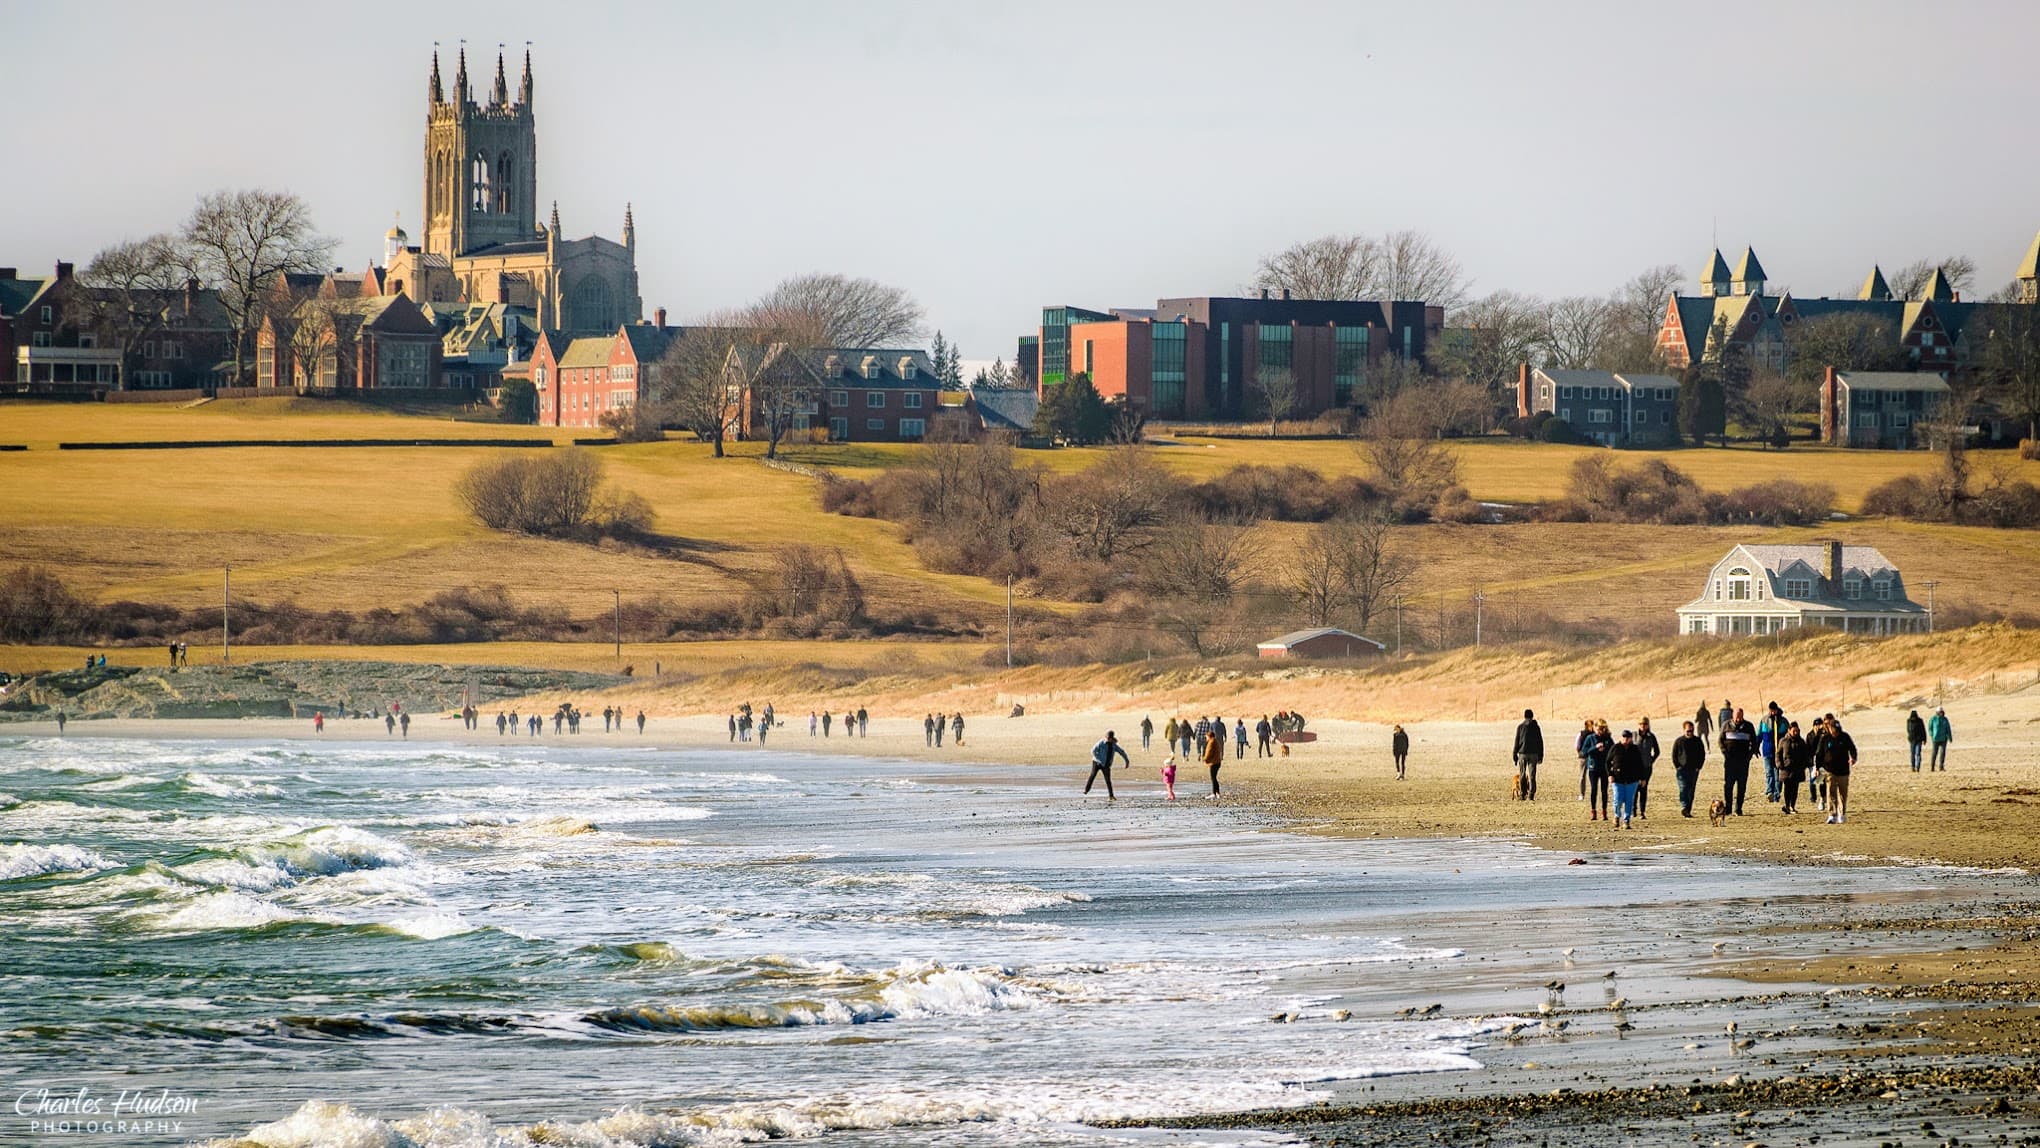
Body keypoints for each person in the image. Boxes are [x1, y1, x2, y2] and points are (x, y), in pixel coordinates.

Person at [1818, 715, 1858, 824]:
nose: (1835, 732)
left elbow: (1852, 748)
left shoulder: (1845, 737)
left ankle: (1842, 813)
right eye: (1833, 730)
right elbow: (1819, 754)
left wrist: (1853, 758)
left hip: (1843, 771)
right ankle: (1832, 814)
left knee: (1842, 794)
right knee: (1830, 793)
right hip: (1830, 771)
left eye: (1837, 730)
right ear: (1829, 729)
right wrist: (1818, 768)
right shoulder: (1825, 739)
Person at [1719, 707, 1756, 816]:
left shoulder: (1748, 726)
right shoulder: (1726, 725)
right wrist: (1725, 752)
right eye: (1736, 717)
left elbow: (1753, 743)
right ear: (1733, 716)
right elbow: (1720, 741)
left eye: (1740, 717)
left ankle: (1738, 808)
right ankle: (1728, 808)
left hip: (1743, 762)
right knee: (1728, 786)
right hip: (1730, 762)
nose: (1738, 720)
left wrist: (1749, 756)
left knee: (1742, 786)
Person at [1608, 730, 1645, 829]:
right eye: (1624, 737)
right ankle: (1617, 816)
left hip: (1632, 780)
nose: (1625, 739)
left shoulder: (1634, 749)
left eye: (1627, 737)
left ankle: (1626, 820)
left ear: (1630, 738)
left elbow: (1640, 764)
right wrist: (1610, 775)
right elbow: (1608, 762)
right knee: (1617, 799)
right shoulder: (1616, 748)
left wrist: (1642, 778)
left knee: (1629, 801)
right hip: (1617, 779)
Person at [1672, 720, 1706, 816]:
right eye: (1688, 731)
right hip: (1682, 770)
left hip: (1694, 770)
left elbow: (1702, 754)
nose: (1690, 733)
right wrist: (1677, 766)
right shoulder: (1679, 741)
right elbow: (1674, 755)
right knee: (1683, 788)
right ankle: (1684, 806)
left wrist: (1699, 766)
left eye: (1691, 731)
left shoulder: (1697, 741)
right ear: (1684, 730)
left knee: (1691, 790)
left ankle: (1688, 810)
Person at [1085, 731, 1129, 799]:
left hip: (1106, 765)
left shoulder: (1114, 745)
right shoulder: (1101, 743)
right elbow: (1093, 751)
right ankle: (1086, 790)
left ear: (1112, 738)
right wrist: (1098, 758)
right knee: (1093, 775)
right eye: (1107, 737)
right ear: (1106, 737)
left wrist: (1126, 761)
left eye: (1109, 738)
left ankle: (1111, 796)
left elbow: (1121, 752)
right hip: (1096, 762)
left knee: (1108, 780)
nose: (1108, 739)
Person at [1582, 720, 1612, 820]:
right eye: (1598, 729)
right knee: (1594, 789)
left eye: (1602, 729)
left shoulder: (1608, 739)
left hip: (1604, 768)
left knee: (1604, 790)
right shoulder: (1590, 738)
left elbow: (1613, 750)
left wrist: (1605, 749)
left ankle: (1604, 812)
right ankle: (1593, 811)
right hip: (1593, 768)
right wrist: (1595, 747)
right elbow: (1584, 751)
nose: (1600, 731)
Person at [1780, 721, 1810, 814]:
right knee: (1787, 788)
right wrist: (1779, 764)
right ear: (1789, 730)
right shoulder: (1783, 741)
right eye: (1794, 731)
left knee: (1795, 789)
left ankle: (1792, 806)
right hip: (1786, 769)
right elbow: (1778, 754)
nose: (1796, 733)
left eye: (1797, 731)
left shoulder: (1801, 742)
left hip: (1797, 769)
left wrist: (1804, 765)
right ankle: (1787, 805)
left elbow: (1805, 755)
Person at [1758, 703, 1786, 802]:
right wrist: (1756, 747)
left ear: (1777, 710)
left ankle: (1777, 794)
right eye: (1771, 710)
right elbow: (1759, 735)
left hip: (1779, 752)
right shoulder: (1764, 720)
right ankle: (1770, 792)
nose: (1772, 712)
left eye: (1774, 710)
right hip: (1767, 751)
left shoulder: (1783, 721)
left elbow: (1787, 737)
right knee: (1769, 772)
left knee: (1777, 773)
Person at [1513, 709, 1543, 800]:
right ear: (1532, 716)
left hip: (1522, 753)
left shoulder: (1520, 727)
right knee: (1532, 775)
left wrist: (1514, 755)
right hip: (1534, 754)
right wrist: (1541, 755)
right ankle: (1531, 794)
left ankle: (1522, 794)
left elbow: (1516, 741)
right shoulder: (1536, 727)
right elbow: (1540, 742)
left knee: (1522, 774)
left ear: (1524, 716)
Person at [1635, 717, 1659, 818]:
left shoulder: (1651, 737)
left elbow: (1657, 751)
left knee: (1643, 788)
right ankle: (1633, 809)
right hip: (1635, 767)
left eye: (1645, 724)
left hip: (1646, 767)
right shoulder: (1634, 735)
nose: (1643, 726)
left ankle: (1642, 811)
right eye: (1641, 724)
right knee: (1635, 788)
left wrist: (1651, 760)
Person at [1575, 719, 1598, 803]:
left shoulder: (1594, 734)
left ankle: (1590, 794)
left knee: (1591, 776)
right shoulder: (1582, 734)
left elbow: (1577, 746)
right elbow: (1577, 745)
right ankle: (1582, 794)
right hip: (1584, 758)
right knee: (1582, 776)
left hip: (1591, 757)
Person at [1202, 719, 1226, 797]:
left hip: (1214, 762)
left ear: (1209, 736)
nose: (1206, 738)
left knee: (1213, 778)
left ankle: (1215, 793)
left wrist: (1205, 759)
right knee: (1214, 778)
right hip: (1217, 762)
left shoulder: (1211, 742)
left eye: (1206, 737)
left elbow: (1209, 752)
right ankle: (1217, 793)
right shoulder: (1214, 741)